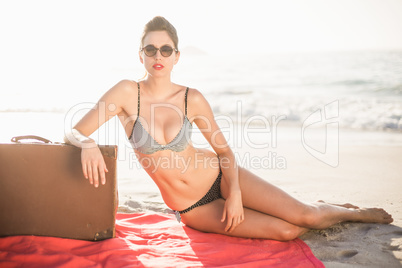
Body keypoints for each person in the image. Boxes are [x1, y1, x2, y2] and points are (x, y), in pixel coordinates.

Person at [64, 16, 393, 241]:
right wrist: (88, 144)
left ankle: (354, 212)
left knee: (304, 216)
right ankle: (327, 209)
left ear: (176, 56)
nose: (158, 55)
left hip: (220, 177)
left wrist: (234, 193)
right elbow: (74, 131)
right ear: (141, 56)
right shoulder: (126, 93)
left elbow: (224, 151)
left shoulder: (191, 98)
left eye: (166, 49)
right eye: (150, 49)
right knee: (287, 232)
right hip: (192, 209)